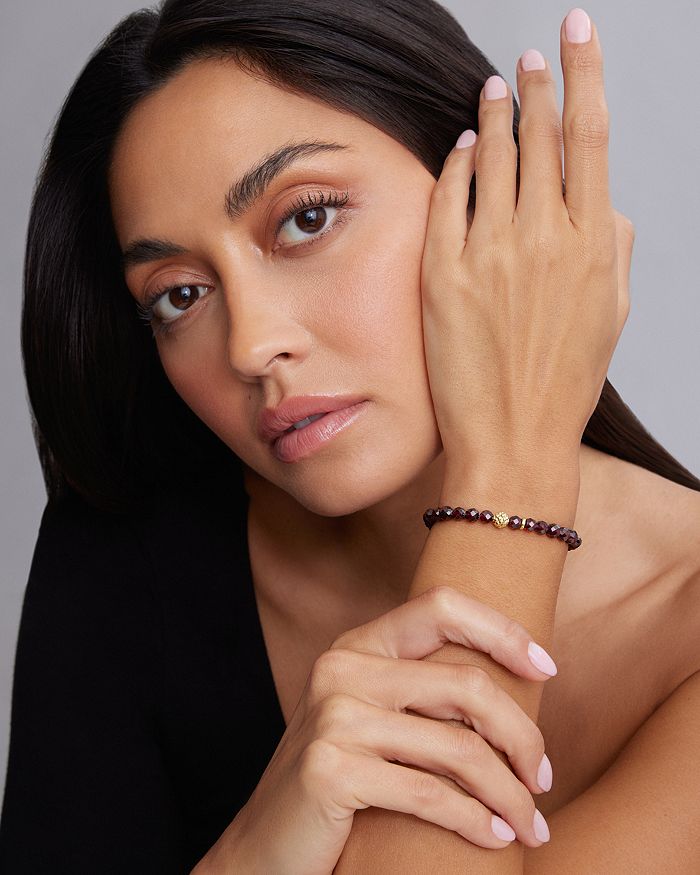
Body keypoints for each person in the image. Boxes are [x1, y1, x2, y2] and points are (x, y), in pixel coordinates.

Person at [1, 0, 699, 872]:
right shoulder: (127, 563)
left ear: (495, 195)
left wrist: (511, 467)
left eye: (307, 219)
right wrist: (253, 850)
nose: (251, 346)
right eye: (179, 294)